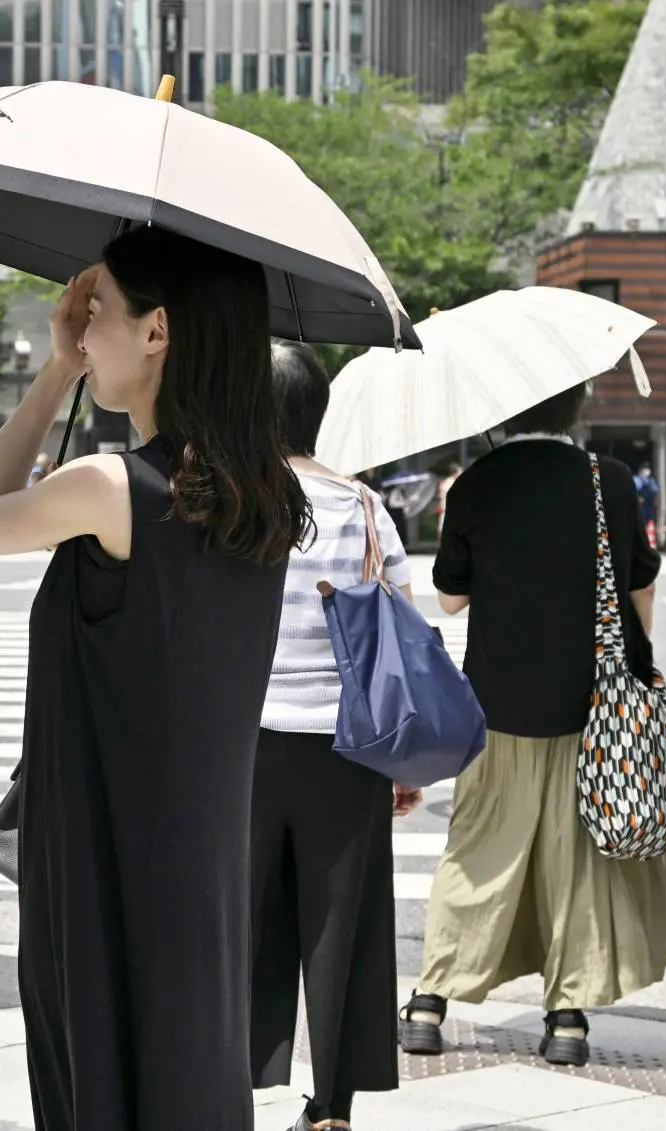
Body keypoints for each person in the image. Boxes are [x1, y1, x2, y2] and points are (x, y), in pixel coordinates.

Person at [0, 226, 309, 1131]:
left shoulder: (112, 485)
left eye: (97, 309)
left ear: (158, 331)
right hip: (201, 847)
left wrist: (52, 374)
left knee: (97, 1062)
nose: (82, 326)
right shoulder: (260, 490)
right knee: (186, 1064)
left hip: (102, 841)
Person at [401, 382, 666, 1065]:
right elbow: (639, 584)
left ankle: (429, 1000)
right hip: (589, 707)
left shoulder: (477, 482)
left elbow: (451, 597)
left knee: (477, 847)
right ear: (576, 410)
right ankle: (566, 1017)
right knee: (577, 861)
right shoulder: (610, 480)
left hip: (496, 704)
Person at [252, 341, 418, 1131]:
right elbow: (403, 626)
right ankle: (332, 1109)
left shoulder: (227, 496)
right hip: (346, 748)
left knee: (236, 917)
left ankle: (228, 1081)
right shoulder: (365, 506)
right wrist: (403, 759)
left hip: (241, 746)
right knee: (340, 927)